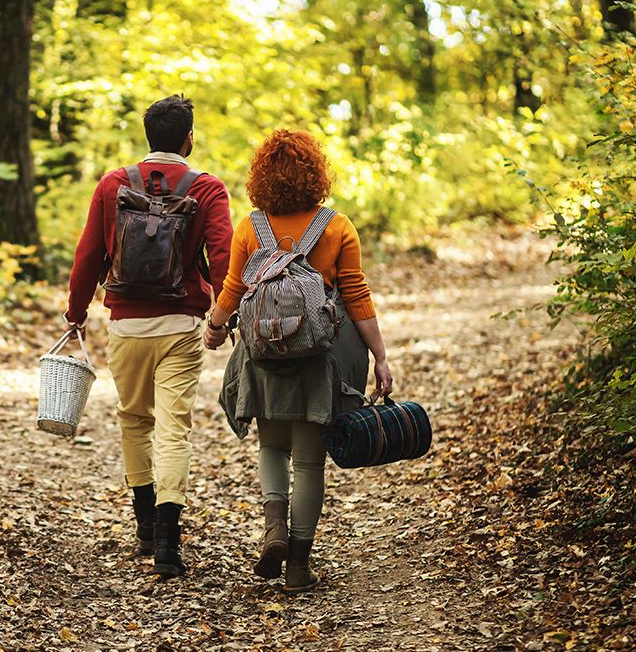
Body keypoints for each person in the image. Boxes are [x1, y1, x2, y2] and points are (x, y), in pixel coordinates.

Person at [203, 129, 396, 593]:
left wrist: (214, 326)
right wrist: (381, 356)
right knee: (309, 462)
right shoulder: (336, 226)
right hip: (320, 355)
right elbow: (356, 294)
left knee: (271, 446)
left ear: (261, 176)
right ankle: (298, 568)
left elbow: (233, 288)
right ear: (316, 172)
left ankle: (274, 531)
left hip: (263, 353)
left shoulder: (252, 226)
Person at [65, 94, 233, 579]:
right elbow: (223, 259)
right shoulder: (207, 189)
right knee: (173, 426)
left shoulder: (114, 183)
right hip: (181, 324)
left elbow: (89, 254)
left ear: (148, 136)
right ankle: (167, 543)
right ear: (189, 139)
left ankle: (143, 524)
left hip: (127, 325)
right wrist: (223, 318)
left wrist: (76, 312)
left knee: (134, 420)